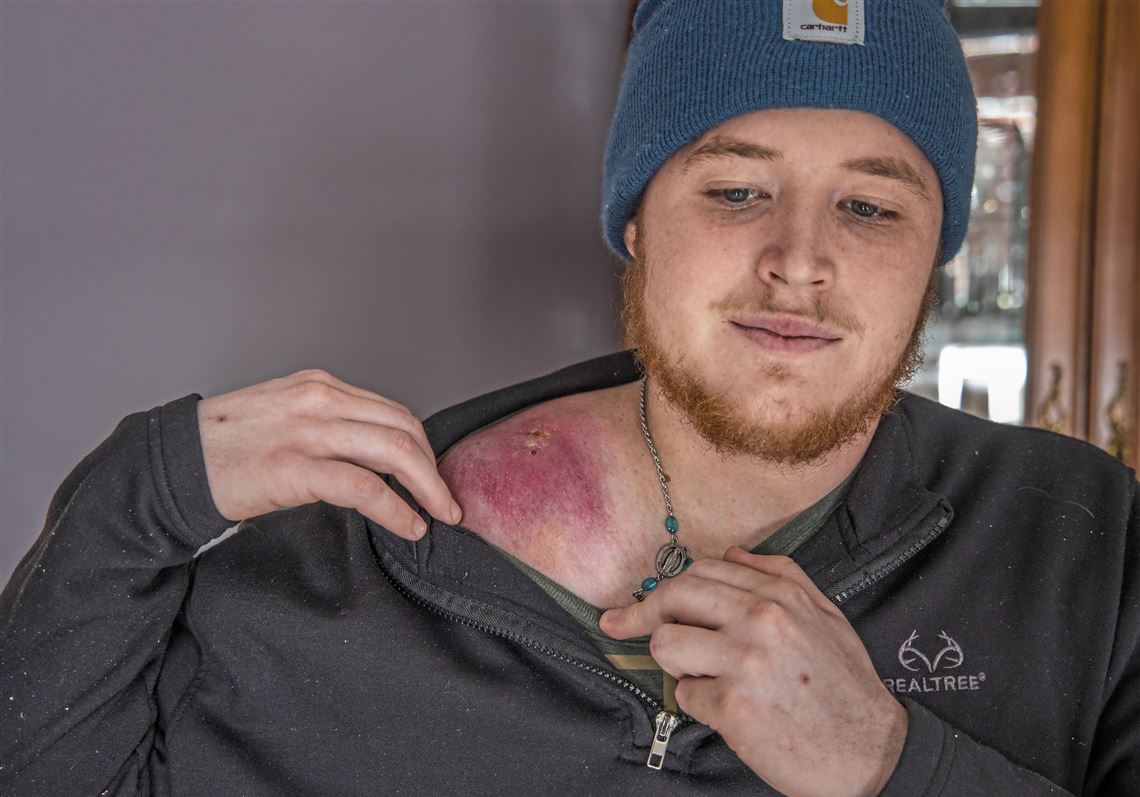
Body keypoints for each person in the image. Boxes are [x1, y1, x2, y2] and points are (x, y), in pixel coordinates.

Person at [2, 1, 1137, 794]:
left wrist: (890, 763)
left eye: (872, 208)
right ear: (636, 220)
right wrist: (139, 493)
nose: (800, 260)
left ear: (939, 245)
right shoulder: (339, 568)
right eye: (737, 190)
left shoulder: (1089, 549)